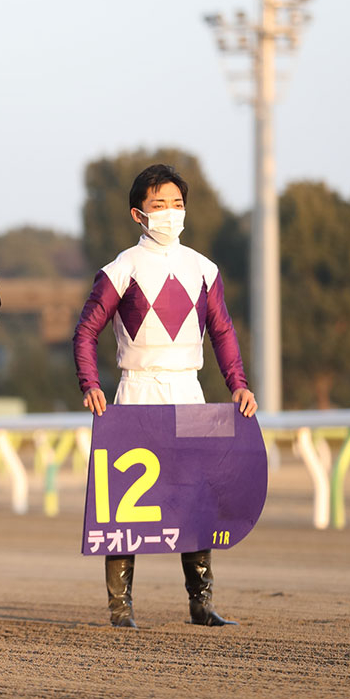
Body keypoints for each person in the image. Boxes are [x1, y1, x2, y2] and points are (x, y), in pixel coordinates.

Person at [72, 163, 258, 629]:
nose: (170, 213)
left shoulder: (203, 268)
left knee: (196, 499)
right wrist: (90, 384)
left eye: (177, 204)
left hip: (187, 389)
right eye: (159, 206)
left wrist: (238, 383)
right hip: (136, 391)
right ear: (139, 214)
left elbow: (223, 331)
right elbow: (86, 331)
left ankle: (202, 604)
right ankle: (121, 610)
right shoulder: (122, 268)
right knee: (124, 506)